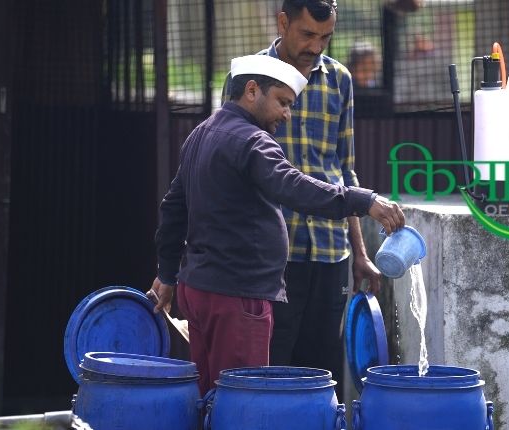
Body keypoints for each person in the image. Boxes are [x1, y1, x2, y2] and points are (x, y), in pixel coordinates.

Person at [149, 54, 405, 396]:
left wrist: (167, 274)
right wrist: (363, 201)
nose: (287, 114)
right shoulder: (252, 141)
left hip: (198, 291)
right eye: (283, 103)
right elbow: (294, 187)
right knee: (242, 401)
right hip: (238, 297)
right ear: (252, 91)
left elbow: (172, 211)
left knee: (209, 397)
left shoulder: (201, 134)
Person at [252, 0, 384, 398]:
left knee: (323, 372)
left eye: (325, 37)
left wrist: (360, 253)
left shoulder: (340, 80)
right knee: (273, 368)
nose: (316, 46)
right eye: (307, 34)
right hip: (274, 253)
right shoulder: (251, 78)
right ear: (282, 22)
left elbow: (345, 170)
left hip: (331, 251)